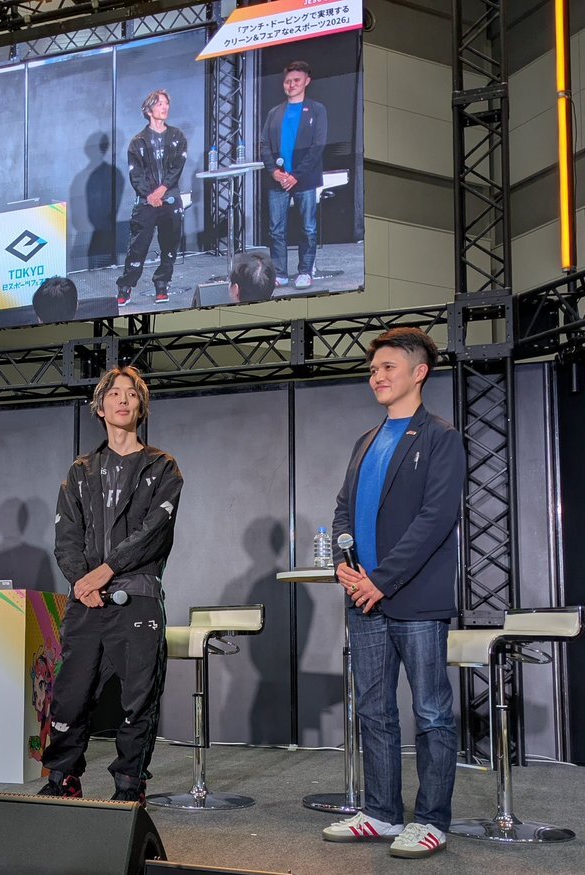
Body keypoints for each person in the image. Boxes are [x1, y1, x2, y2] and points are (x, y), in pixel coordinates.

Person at [322, 327, 465, 859]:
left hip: (413, 598)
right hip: (363, 599)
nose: (376, 376)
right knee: (374, 711)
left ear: (419, 372)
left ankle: (432, 821)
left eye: (387, 367)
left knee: (430, 712)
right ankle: (382, 813)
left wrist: (381, 580)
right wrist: (346, 567)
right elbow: (343, 510)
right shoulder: (366, 440)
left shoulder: (441, 437)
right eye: (373, 369)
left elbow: (435, 519)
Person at [38, 366, 183, 804]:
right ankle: (63, 778)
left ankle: (129, 785)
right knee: (70, 695)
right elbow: (66, 536)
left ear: (141, 407)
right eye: (114, 393)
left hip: (137, 598)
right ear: (100, 407)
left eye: (132, 394)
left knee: (139, 699)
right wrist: (82, 583)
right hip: (86, 602)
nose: (123, 400)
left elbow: (153, 533)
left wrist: (106, 570)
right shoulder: (80, 471)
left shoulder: (162, 467)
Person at [259, 60, 327, 291]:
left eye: (296, 80)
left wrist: (296, 175)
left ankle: (305, 272)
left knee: (308, 228)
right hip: (277, 181)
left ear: (307, 81)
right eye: (288, 81)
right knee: (276, 230)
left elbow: (318, 146)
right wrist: (274, 171)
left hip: (304, 179)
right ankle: (280, 273)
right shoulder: (274, 113)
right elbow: (264, 144)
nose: (291, 85)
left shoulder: (316, 110)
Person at [117, 90, 188, 307]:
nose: (164, 107)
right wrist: (149, 195)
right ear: (148, 110)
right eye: (159, 104)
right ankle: (125, 287)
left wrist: (162, 190)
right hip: (146, 202)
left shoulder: (177, 136)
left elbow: (177, 167)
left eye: (166, 103)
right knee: (138, 247)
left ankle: (162, 284)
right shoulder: (137, 142)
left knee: (170, 245)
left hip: (170, 200)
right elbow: (136, 175)